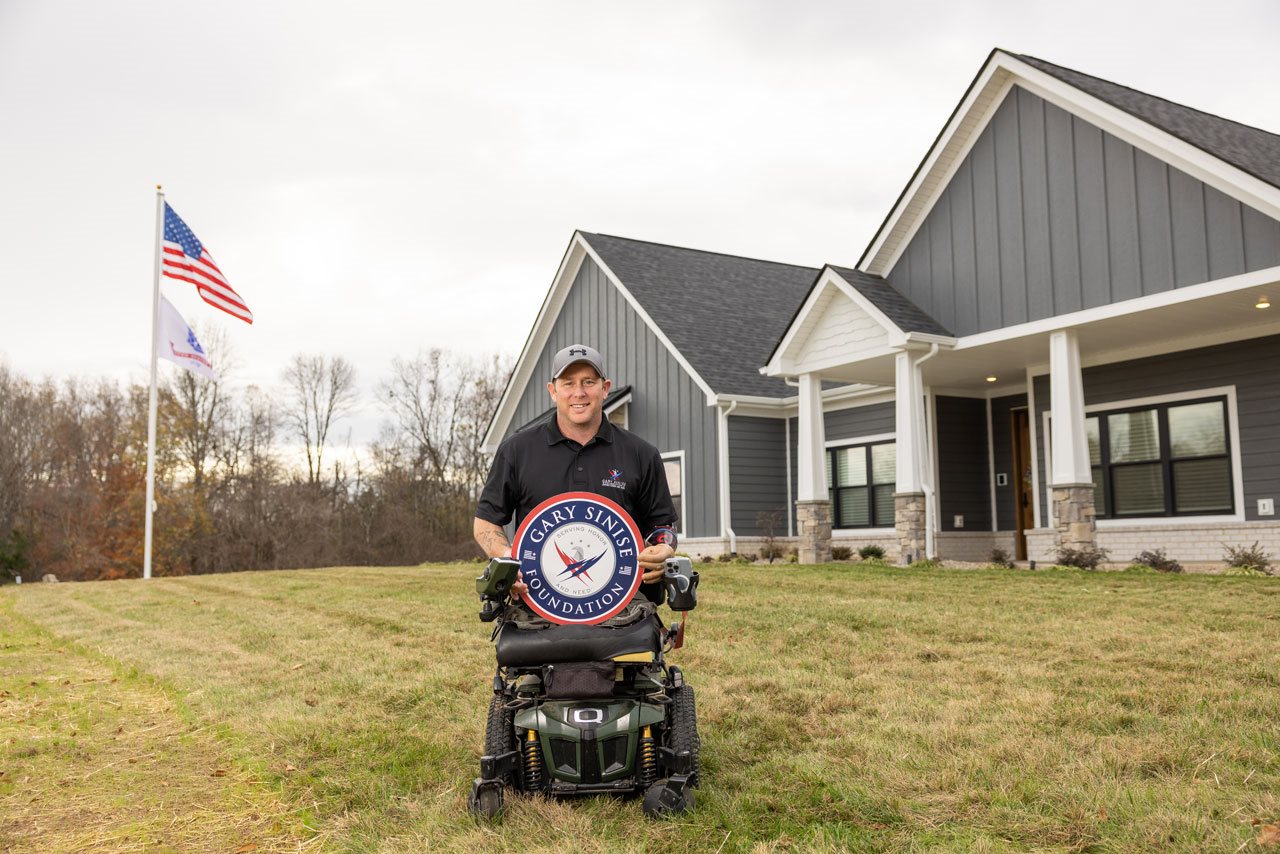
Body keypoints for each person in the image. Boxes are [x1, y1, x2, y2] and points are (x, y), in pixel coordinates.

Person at [474, 344, 678, 606]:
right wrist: (509, 559)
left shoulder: (641, 454)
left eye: (588, 382)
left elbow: (663, 525)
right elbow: (485, 524)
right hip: (538, 604)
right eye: (568, 383)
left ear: (605, 388)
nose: (579, 393)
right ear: (553, 391)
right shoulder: (517, 450)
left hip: (624, 604)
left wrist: (664, 548)